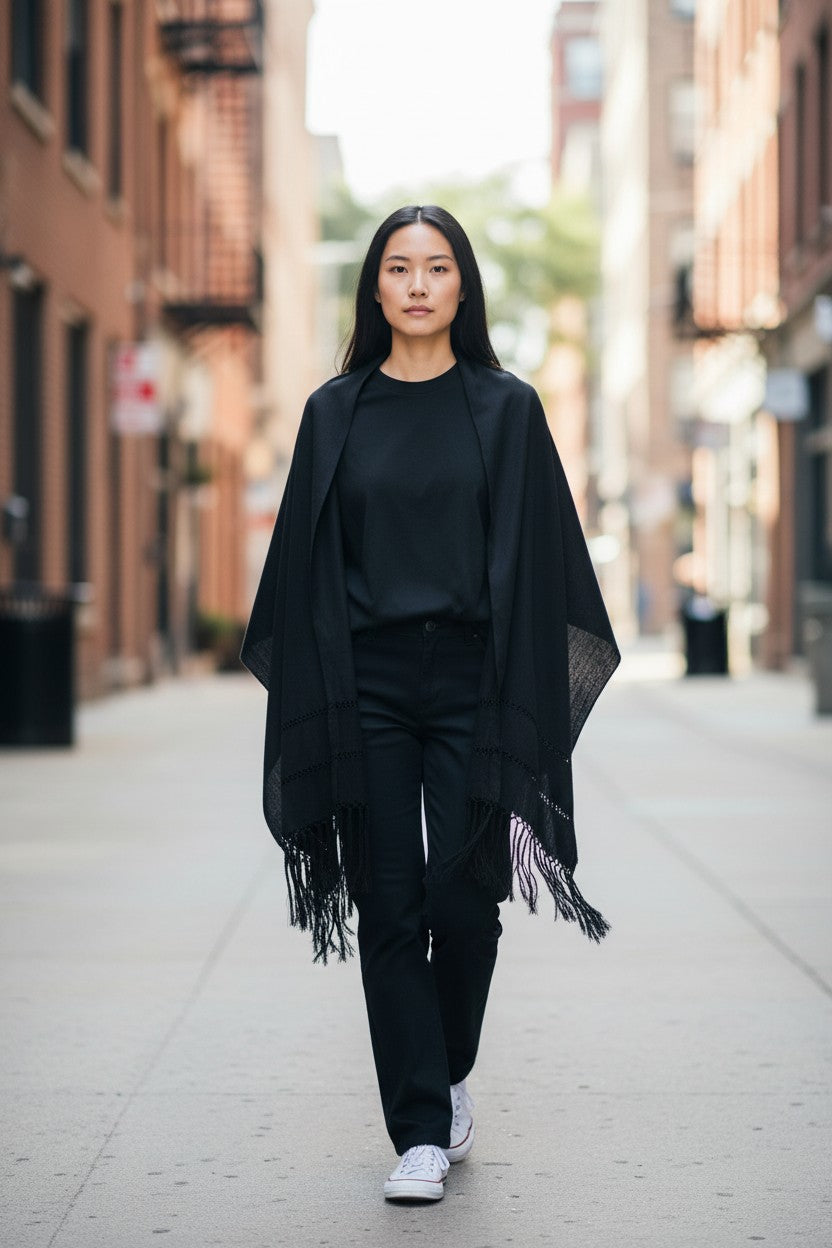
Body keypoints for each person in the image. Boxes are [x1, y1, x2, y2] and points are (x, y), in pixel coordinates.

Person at [239, 205, 620, 1204]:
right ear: (373, 288)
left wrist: (520, 684)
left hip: (471, 679)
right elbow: (300, 572)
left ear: (462, 287)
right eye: (398, 268)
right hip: (365, 684)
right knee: (390, 903)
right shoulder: (335, 412)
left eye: (436, 267)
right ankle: (416, 1129)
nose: (416, 284)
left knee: (466, 901)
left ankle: (446, 1069)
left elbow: (545, 568)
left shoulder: (507, 409)